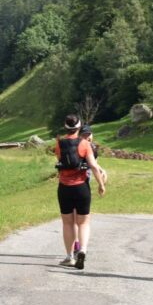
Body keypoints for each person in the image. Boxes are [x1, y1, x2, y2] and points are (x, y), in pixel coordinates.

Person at [55, 115, 107, 269]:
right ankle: (82, 250)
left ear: (66, 127)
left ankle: (69, 256)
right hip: (81, 187)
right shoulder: (85, 144)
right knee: (83, 222)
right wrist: (101, 184)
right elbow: (93, 165)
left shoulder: (59, 144)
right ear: (79, 128)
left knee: (67, 223)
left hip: (64, 187)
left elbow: (60, 162)